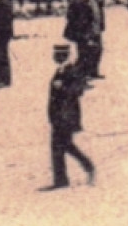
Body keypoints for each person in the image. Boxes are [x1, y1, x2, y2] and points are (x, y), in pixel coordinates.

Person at [40, 45, 94, 191]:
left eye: (57, 55)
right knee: (63, 146)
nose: (55, 57)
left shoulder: (72, 71)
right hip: (59, 116)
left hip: (66, 116)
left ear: (63, 56)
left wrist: (62, 87)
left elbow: (77, 90)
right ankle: (66, 176)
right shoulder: (61, 70)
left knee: (61, 146)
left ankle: (65, 177)